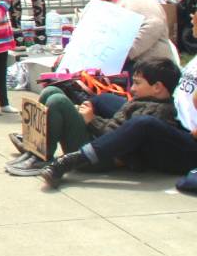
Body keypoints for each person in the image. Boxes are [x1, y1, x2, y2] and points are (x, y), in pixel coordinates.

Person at [39, 59, 194, 186]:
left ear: (157, 87)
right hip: (108, 135)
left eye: (137, 83)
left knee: (57, 100)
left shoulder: (156, 111)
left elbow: (120, 137)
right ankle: (36, 144)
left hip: (103, 155)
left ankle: (67, 159)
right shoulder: (143, 101)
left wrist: (92, 120)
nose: (132, 88)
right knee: (53, 92)